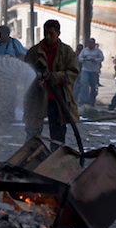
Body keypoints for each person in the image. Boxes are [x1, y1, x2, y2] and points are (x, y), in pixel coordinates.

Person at [23, 19, 79, 152]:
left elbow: (73, 72)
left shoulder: (67, 52)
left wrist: (54, 77)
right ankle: (30, 160)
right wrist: (35, 81)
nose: (47, 37)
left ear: (58, 33)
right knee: (33, 134)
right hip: (37, 101)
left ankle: (56, 162)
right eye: (45, 33)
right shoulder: (34, 52)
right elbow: (25, 72)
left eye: (51, 34)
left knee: (58, 136)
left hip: (57, 102)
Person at [78, 38, 104, 106]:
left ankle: (92, 101)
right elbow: (79, 58)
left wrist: (95, 60)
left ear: (94, 43)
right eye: (89, 42)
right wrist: (84, 59)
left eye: (92, 43)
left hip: (94, 71)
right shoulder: (84, 50)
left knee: (93, 87)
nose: (91, 44)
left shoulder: (98, 51)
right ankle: (83, 100)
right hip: (85, 70)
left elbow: (101, 58)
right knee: (83, 84)